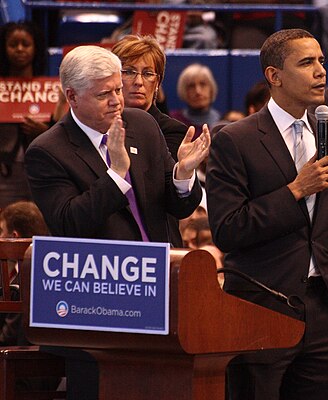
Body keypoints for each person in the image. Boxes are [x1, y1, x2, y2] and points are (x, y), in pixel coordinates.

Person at [24, 45, 210, 399]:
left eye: (117, 90)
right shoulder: (48, 151)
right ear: (72, 97)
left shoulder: (141, 124)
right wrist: (117, 174)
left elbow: (176, 207)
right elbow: (69, 222)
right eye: (103, 94)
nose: (116, 101)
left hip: (164, 290)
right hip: (102, 304)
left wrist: (183, 174)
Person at [206, 28, 328, 400]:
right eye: (307, 63)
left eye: (322, 61)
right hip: (261, 306)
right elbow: (227, 230)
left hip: (327, 310)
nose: (321, 72)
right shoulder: (234, 139)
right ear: (274, 76)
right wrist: (295, 191)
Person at [111, 34, 190, 247]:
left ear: (157, 83)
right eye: (128, 72)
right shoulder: (98, 126)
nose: (138, 82)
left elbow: (167, 197)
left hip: (156, 243)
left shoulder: (172, 131)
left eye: (147, 74)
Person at [0, 21, 49, 208]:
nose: (19, 49)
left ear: (36, 48)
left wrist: (45, 130)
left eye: (25, 44)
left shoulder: (52, 89)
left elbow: (65, 132)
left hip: (39, 173)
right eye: (13, 45)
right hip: (5, 174)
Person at [0, 201, 49, 346]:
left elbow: (10, 334)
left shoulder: (28, 276)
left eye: (1, 231)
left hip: (17, 353)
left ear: (14, 236)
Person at [170, 63, 221, 130]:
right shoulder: (173, 121)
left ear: (211, 89)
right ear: (184, 90)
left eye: (203, 84)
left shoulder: (222, 123)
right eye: (191, 86)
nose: (198, 91)